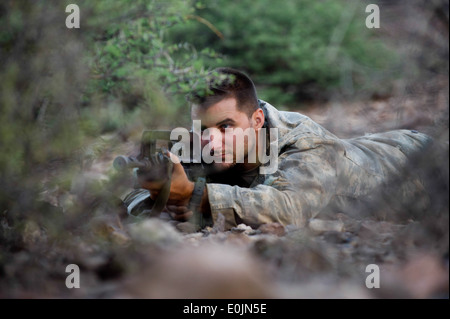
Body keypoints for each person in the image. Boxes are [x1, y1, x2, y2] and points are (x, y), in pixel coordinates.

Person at [125, 67, 432, 231]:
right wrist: (158, 193)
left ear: (256, 119)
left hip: (418, 159)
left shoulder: (307, 142)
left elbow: (290, 208)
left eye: (226, 127)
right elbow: (133, 204)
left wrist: (195, 195)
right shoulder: (203, 143)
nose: (212, 141)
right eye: (204, 129)